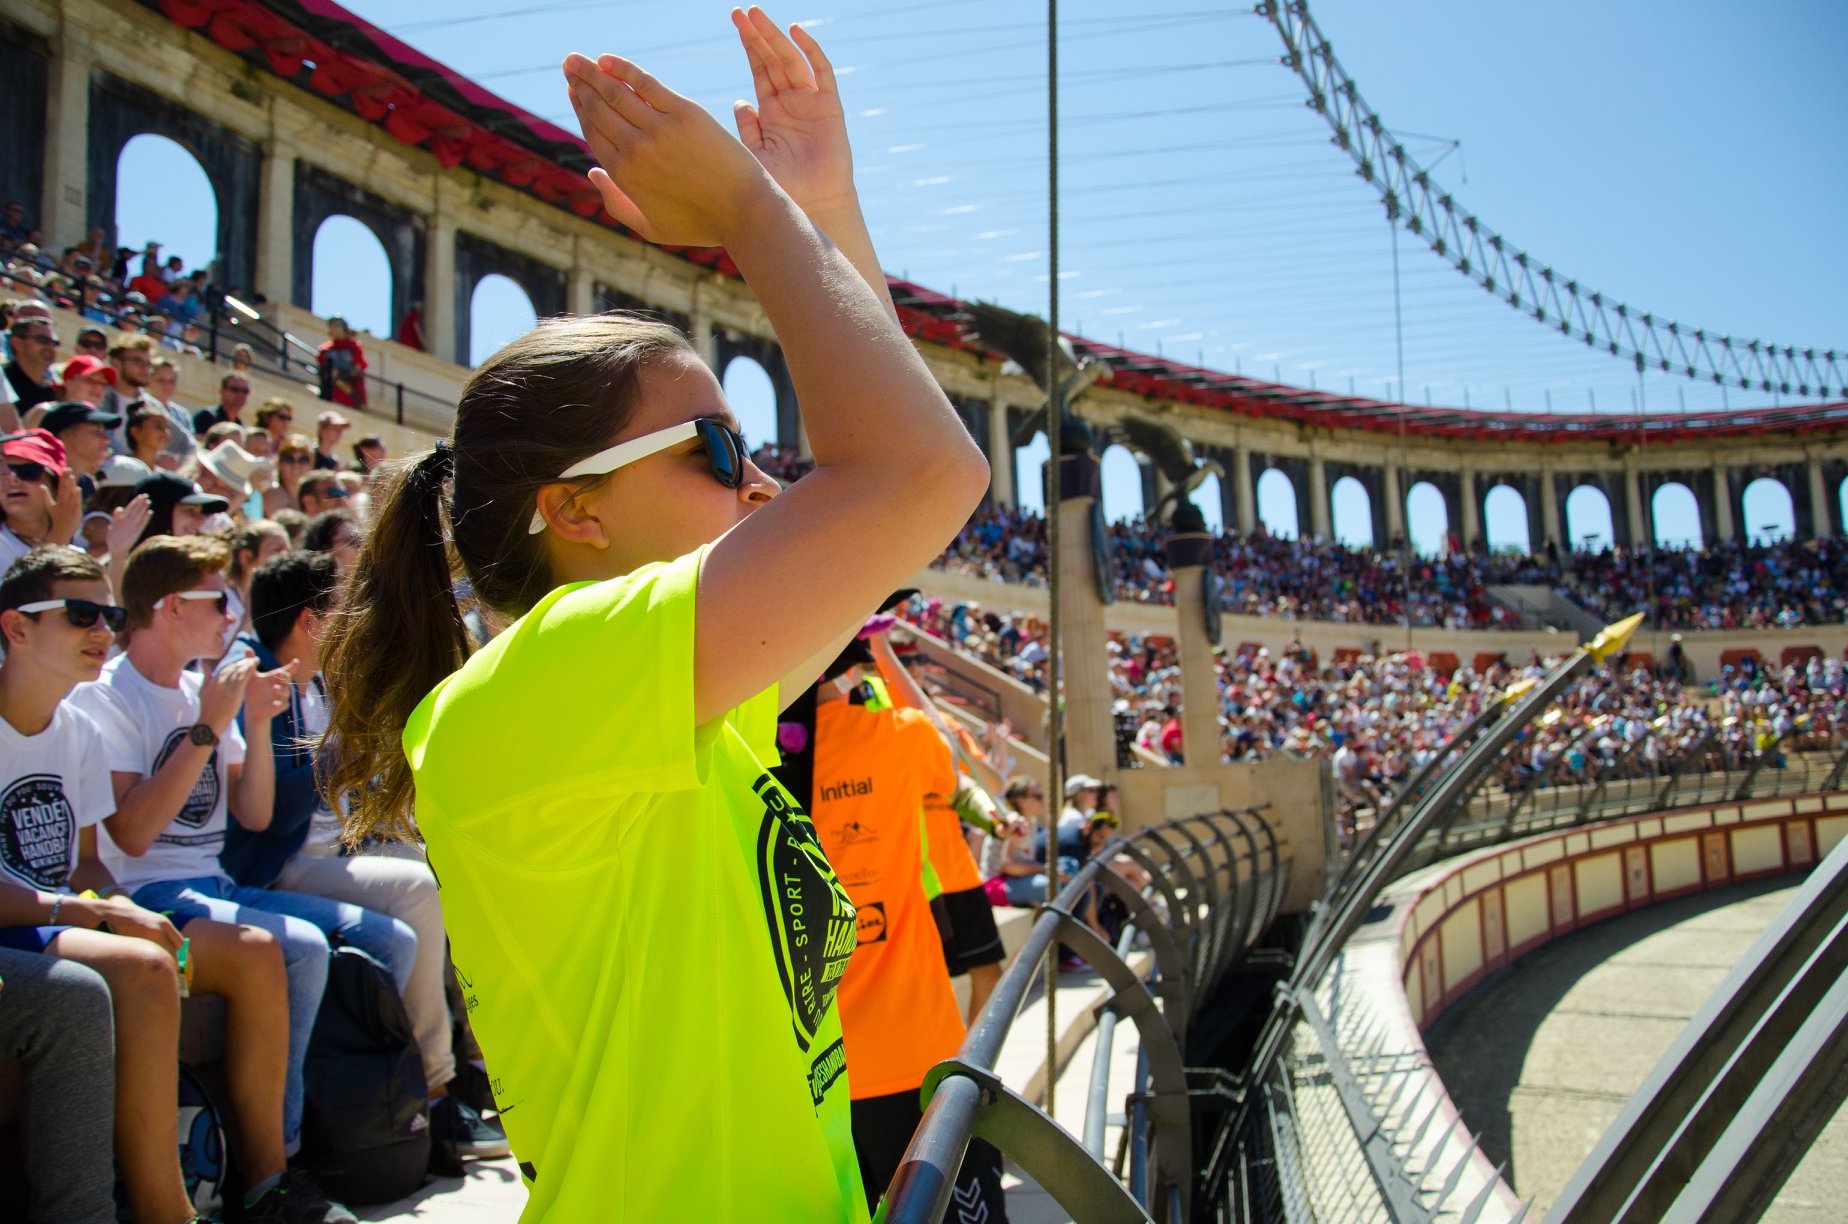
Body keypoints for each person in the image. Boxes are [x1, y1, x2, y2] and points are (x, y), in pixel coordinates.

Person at [318, 11, 988, 1219]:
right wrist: (748, 212)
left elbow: (893, 511)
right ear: (573, 512)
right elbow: (915, 476)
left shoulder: (645, 702)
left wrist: (817, 210)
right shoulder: (549, 682)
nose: (764, 481)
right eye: (722, 445)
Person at [0, 546, 339, 1224]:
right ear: (16, 628)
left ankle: (264, 1182)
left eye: (110, 614)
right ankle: (168, 1209)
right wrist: (106, 914)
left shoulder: (74, 728)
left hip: (67, 912)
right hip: (46, 917)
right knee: (151, 964)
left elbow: (87, 863)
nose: (102, 630)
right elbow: (125, 845)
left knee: (268, 948)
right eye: (80, 614)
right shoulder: (106, 705)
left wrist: (113, 908)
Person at [69, 534, 415, 1185]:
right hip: (143, 891)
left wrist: (253, 725)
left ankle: (348, 1126)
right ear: (171, 606)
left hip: (216, 883)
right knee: (301, 948)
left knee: (387, 936)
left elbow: (252, 814)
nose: (233, 616)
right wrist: (206, 728)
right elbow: (134, 835)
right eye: (218, 599)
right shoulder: (109, 696)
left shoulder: (208, 689)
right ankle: (276, 1162)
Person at [224, 549, 508, 1162]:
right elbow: (268, 818)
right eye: (343, 607)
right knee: (417, 890)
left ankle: (475, 1064)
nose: (356, 618)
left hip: (334, 850)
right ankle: (436, 1089)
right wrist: (345, 754)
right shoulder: (260, 682)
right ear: (311, 620)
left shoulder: (316, 681)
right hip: (275, 868)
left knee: (448, 863)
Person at [808, 642, 1008, 1219]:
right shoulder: (902, 733)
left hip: (817, 1078)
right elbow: (948, 760)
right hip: (917, 1050)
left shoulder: (749, 762)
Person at [0, 430, 82, 573]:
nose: (12, 480)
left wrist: (118, 553)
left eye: (28, 472)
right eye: (2, 473)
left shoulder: (78, 556)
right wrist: (59, 538)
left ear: (58, 486)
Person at [4, 316, 60, 426]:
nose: (51, 347)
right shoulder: (3, 381)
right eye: (43, 340)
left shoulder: (53, 394)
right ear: (17, 343)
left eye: (55, 343)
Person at [315, 320, 367, 410]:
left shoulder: (353, 346)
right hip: (332, 386)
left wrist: (350, 372)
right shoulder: (326, 348)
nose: (334, 330)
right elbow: (321, 363)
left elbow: (360, 364)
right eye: (332, 327)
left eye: (337, 327)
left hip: (347, 385)